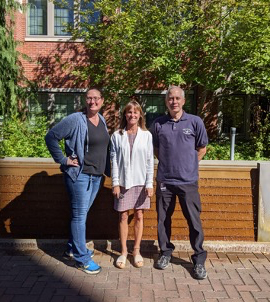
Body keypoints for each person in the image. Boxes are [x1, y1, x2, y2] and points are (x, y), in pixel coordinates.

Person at [45, 88, 110, 275]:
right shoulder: (75, 119)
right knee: (80, 216)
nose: (92, 102)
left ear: (102, 100)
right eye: (89, 98)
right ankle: (82, 259)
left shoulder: (102, 120)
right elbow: (51, 137)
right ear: (85, 100)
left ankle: (72, 249)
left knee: (81, 215)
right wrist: (63, 160)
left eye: (96, 98)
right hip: (79, 176)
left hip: (96, 176)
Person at [150, 86, 208, 280]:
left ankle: (199, 259)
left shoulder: (195, 122)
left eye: (177, 98)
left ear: (183, 101)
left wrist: (189, 165)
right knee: (163, 220)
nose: (174, 101)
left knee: (194, 220)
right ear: (166, 102)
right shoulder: (159, 124)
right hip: (165, 180)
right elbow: (155, 149)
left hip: (188, 181)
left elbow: (202, 148)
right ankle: (165, 253)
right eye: (170, 98)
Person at [110, 100, 154, 269]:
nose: (132, 115)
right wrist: (115, 183)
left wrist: (149, 183)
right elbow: (113, 161)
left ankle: (136, 251)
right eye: (129, 112)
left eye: (135, 112)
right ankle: (123, 252)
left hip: (141, 182)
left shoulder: (146, 135)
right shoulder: (117, 135)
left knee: (139, 215)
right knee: (122, 216)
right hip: (122, 182)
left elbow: (150, 161)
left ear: (140, 115)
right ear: (125, 115)